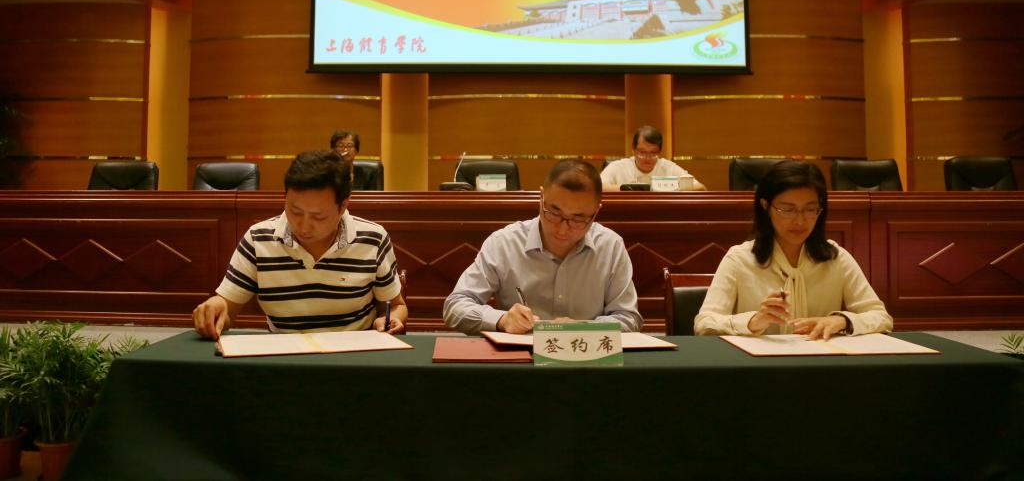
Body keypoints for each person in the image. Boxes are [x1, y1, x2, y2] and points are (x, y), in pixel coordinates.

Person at [193, 150, 406, 339]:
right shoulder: (258, 239)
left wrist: (392, 319)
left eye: (318, 217)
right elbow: (227, 309)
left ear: (343, 206)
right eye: (295, 212)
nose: (304, 227)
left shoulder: (373, 238)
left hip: (354, 353)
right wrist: (216, 309)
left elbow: (396, 305)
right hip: (285, 355)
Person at [694, 160, 892, 339]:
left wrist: (841, 321)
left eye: (810, 209)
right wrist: (753, 321)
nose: (800, 221)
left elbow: (881, 318)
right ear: (765, 206)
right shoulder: (740, 259)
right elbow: (704, 324)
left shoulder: (836, 257)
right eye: (788, 210)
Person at [443, 159, 643, 334]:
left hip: (586, 357)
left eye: (578, 219)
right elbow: (455, 306)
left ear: (596, 212)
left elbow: (628, 317)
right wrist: (501, 320)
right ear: (541, 197)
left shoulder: (610, 247)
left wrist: (583, 328)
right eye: (554, 213)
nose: (563, 230)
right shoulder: (504, 243)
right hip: (519, 359)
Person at [601, 125, 706, 190]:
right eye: (642, 152)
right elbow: (598, 188)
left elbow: (700, 188)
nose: (647, 158)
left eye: (653, 153)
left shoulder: (668, 167)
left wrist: (670, 187)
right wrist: (628, 188)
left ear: (660, 152)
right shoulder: (619, 167)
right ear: (633, 149)